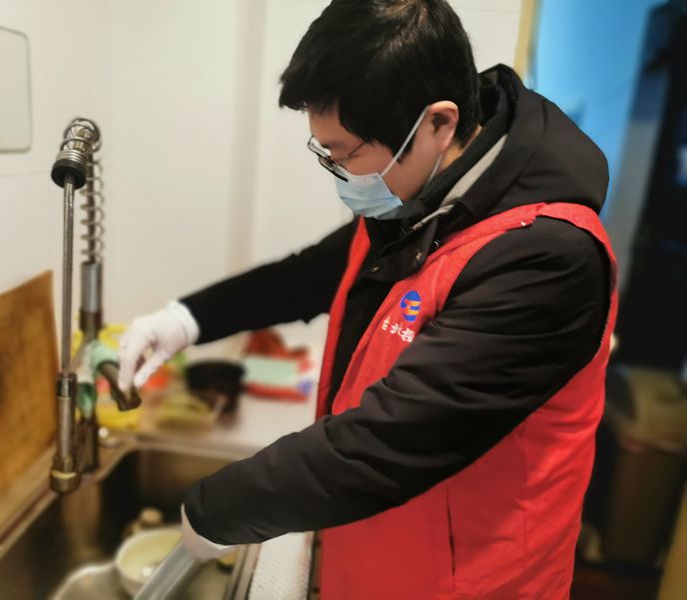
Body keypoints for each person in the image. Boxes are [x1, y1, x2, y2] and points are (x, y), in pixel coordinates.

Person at [118, 1, 617, 597]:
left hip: (467, 583)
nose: (340, 173)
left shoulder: (546, 256)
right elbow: (308, 276)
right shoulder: (420, 200)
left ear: (439, 124)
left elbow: (392, 440)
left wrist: (221, 508)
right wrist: (184, 319)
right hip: (371, 550)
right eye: (325, 152)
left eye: (348, 153)